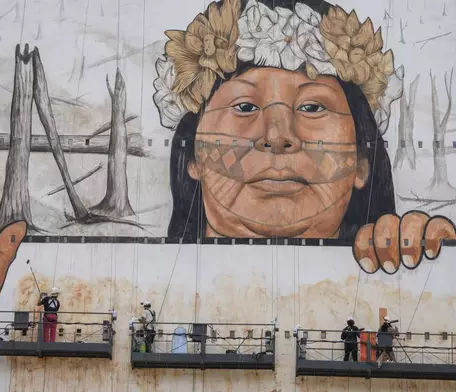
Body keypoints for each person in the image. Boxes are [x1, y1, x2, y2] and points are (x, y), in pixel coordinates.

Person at [156, 0, 456, 276]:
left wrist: (430, 263)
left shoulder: (401, 269)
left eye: (312, 107)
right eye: (245, 107)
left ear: (362, 162)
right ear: (193, 156)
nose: (277, 137)